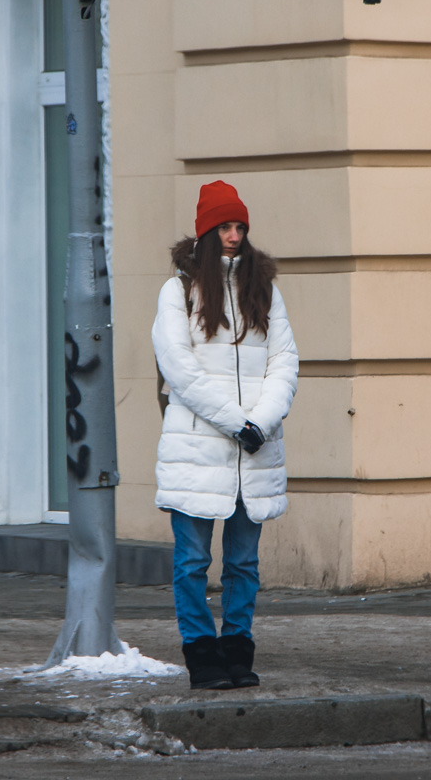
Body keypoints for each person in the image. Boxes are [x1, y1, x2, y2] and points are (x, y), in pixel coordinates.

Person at [151, 180, 299, 690]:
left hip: (253, 453)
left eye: (240, 226)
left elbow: (284, 362)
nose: (234, 235)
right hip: (198, 451)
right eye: (225, 227)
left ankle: (238, 648)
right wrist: (239, 422)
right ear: (206, 232)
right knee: (193, 561)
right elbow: (180, 370)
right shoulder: (179, 292)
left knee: (243, 562)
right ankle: (200, 652)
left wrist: (263, 421)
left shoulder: (264, 291)